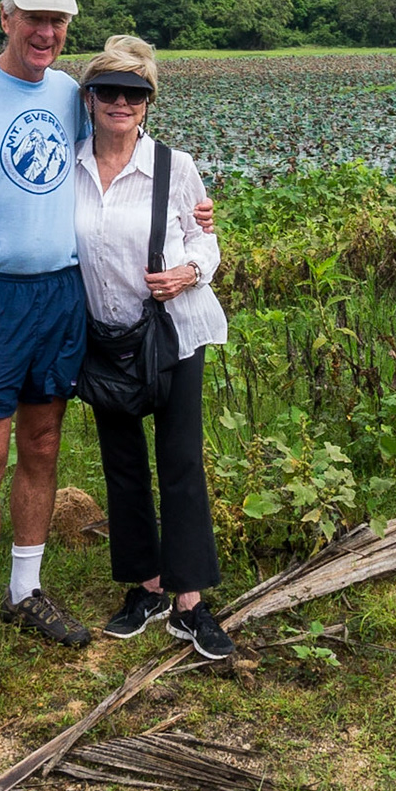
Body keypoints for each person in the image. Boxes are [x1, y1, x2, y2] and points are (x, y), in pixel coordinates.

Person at [0, 0, 211, 702]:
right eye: (34, 18)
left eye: (58, 22)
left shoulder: (72, 96)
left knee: (43, 447)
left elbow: (126, 143)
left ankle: (25, 589)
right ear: (6, 15)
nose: (46, 33)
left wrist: (194, 217)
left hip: (60, 297)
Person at [73, 36, 235, 660]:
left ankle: (189, 603)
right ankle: (144, 587)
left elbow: (206, 243)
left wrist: (189, 273)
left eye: (134, 93)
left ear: (148, 103)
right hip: (104, 335)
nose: (121, 102)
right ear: (88, 99)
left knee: (181, 463)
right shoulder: (70, 165)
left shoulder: (175, 166)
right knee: (122, 464)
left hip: (173, 331)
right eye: (108, 91)